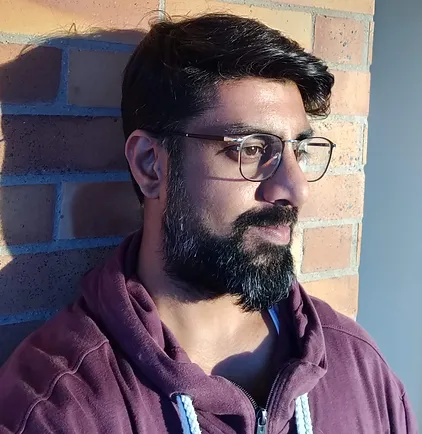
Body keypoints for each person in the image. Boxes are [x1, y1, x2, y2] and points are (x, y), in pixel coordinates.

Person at [0, 13, 417, 434]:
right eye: (252, 149)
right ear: (150, 165)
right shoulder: (57, 410)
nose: (295, 189)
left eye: (300, 151)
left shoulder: (359, 369)